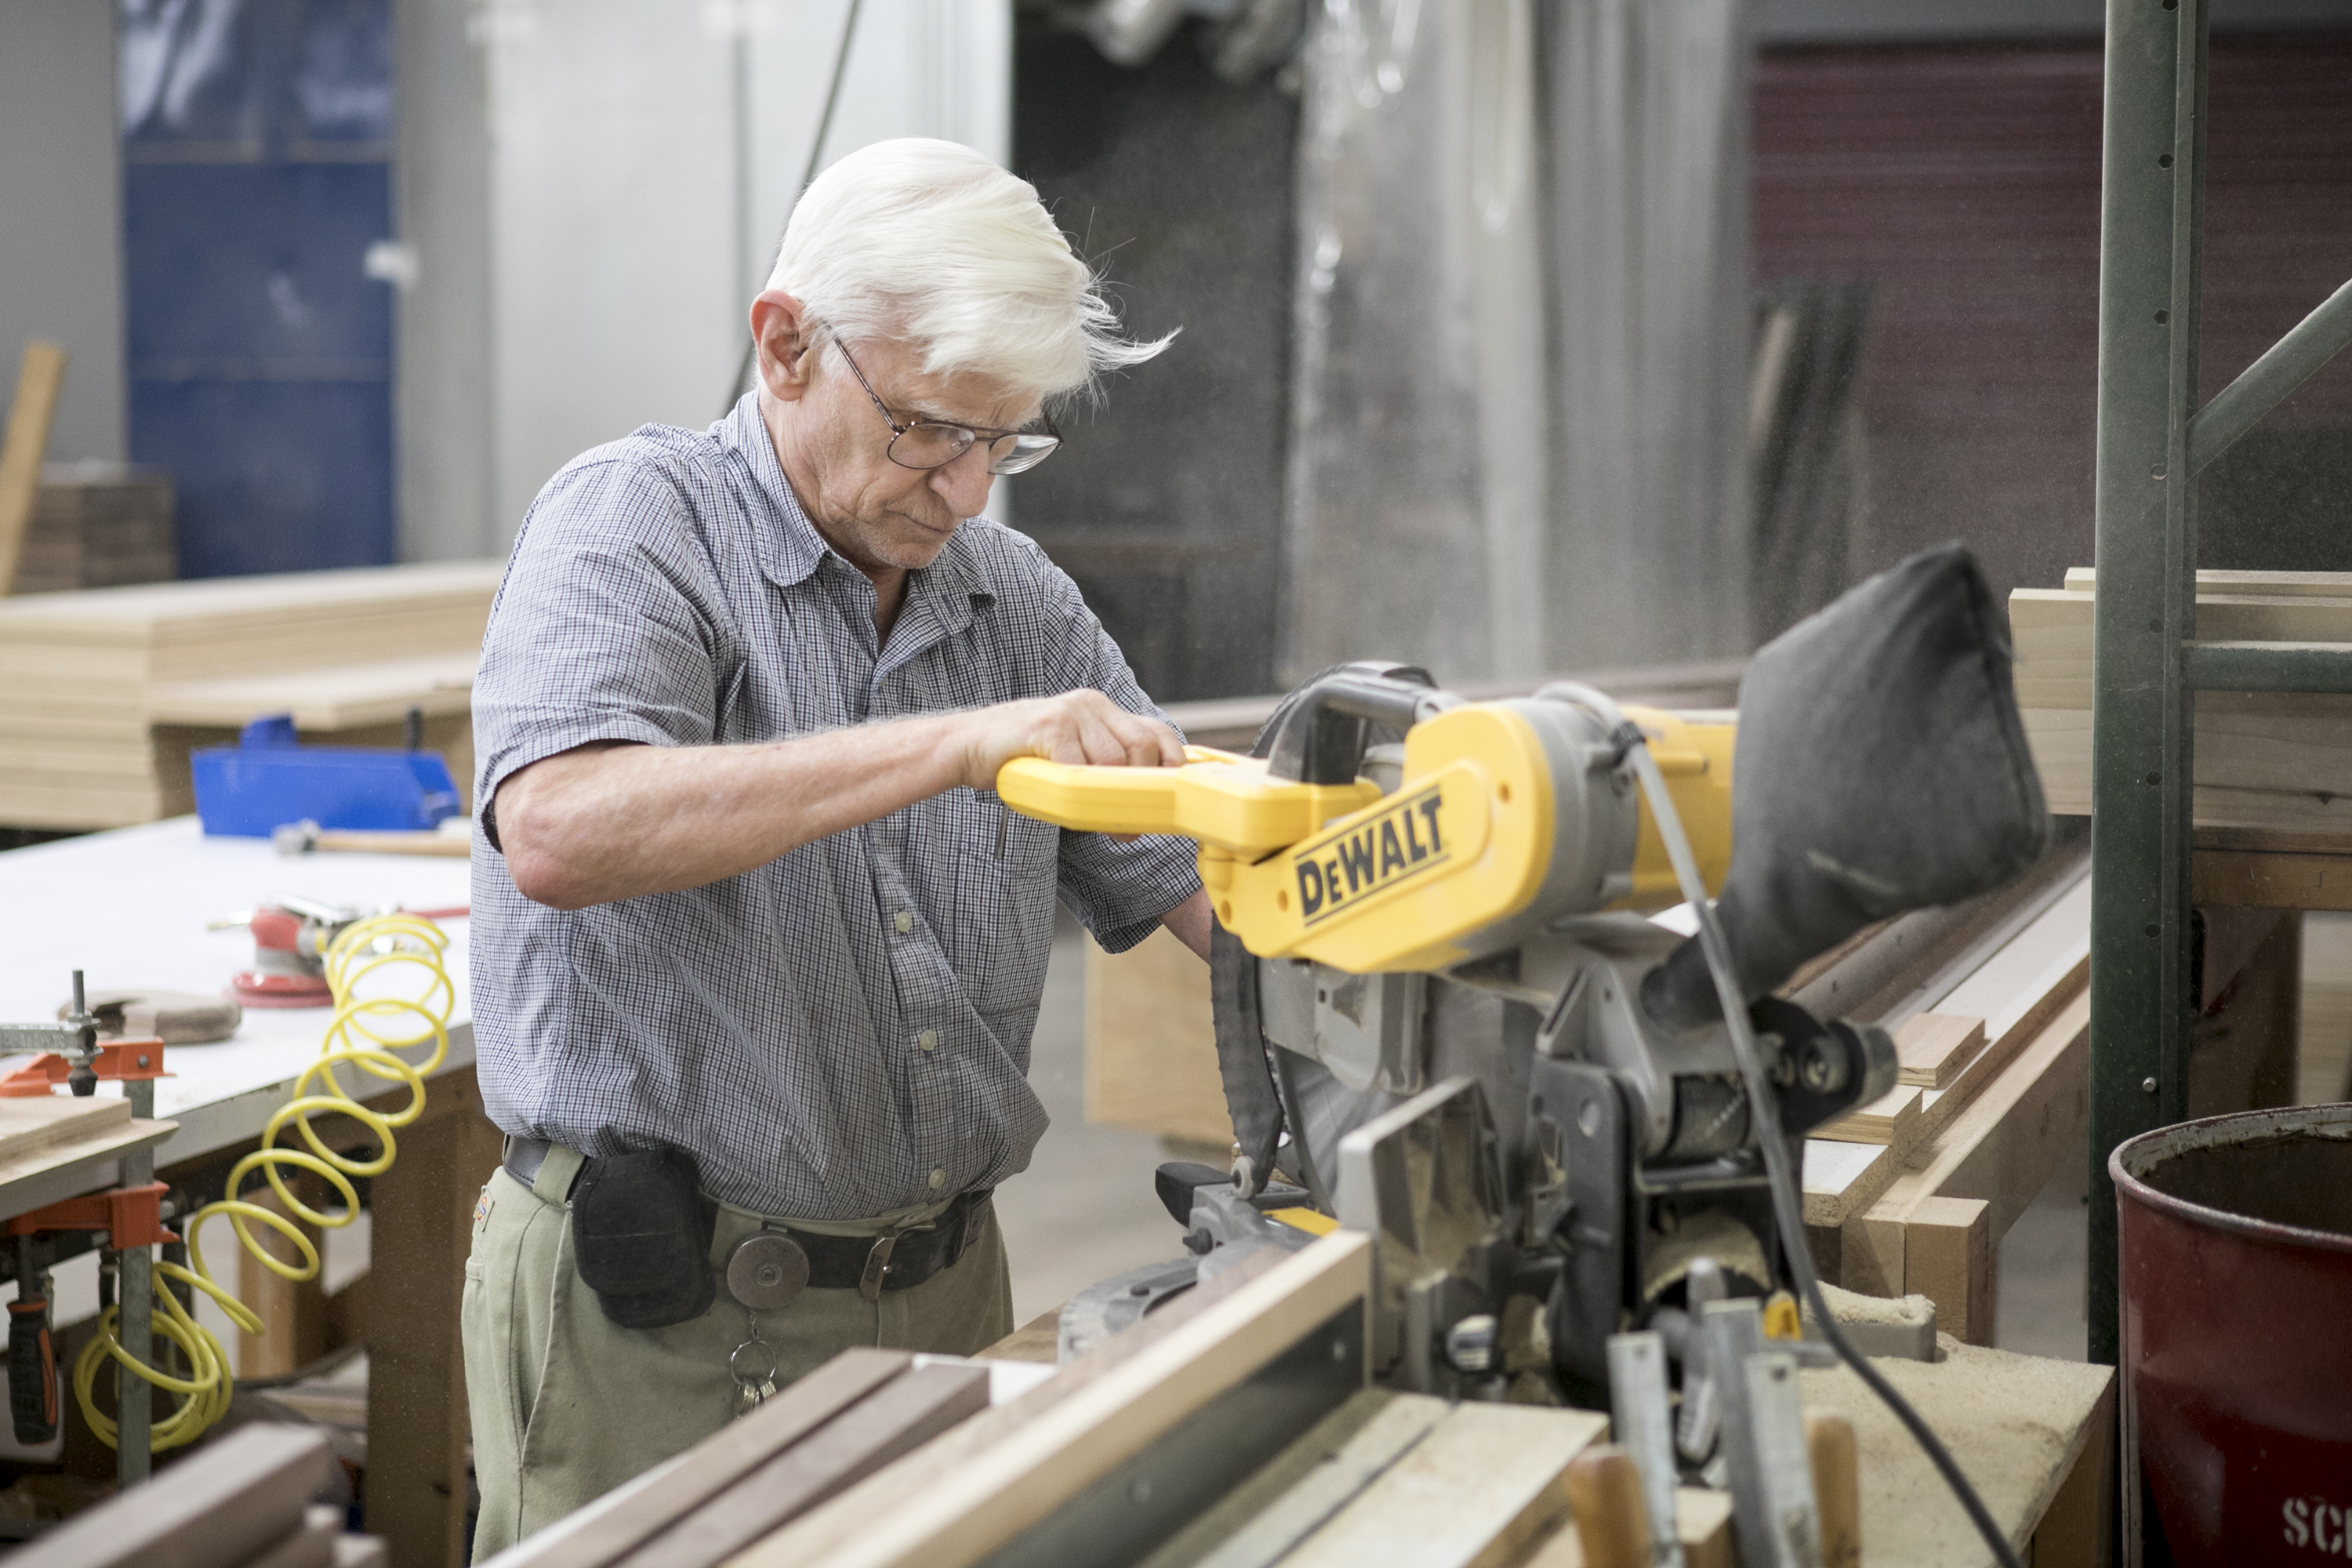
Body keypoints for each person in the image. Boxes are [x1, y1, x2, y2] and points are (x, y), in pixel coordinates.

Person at [459, 137, 1211, 1557]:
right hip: (666, 1323)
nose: (968, 490)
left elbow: (1198, 879)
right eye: (930, 428)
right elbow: (558, 827)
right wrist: (957, 744)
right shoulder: (637, 525)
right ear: (786, 346)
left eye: (1006, 440)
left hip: (940, 1295)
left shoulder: (1010, 598)